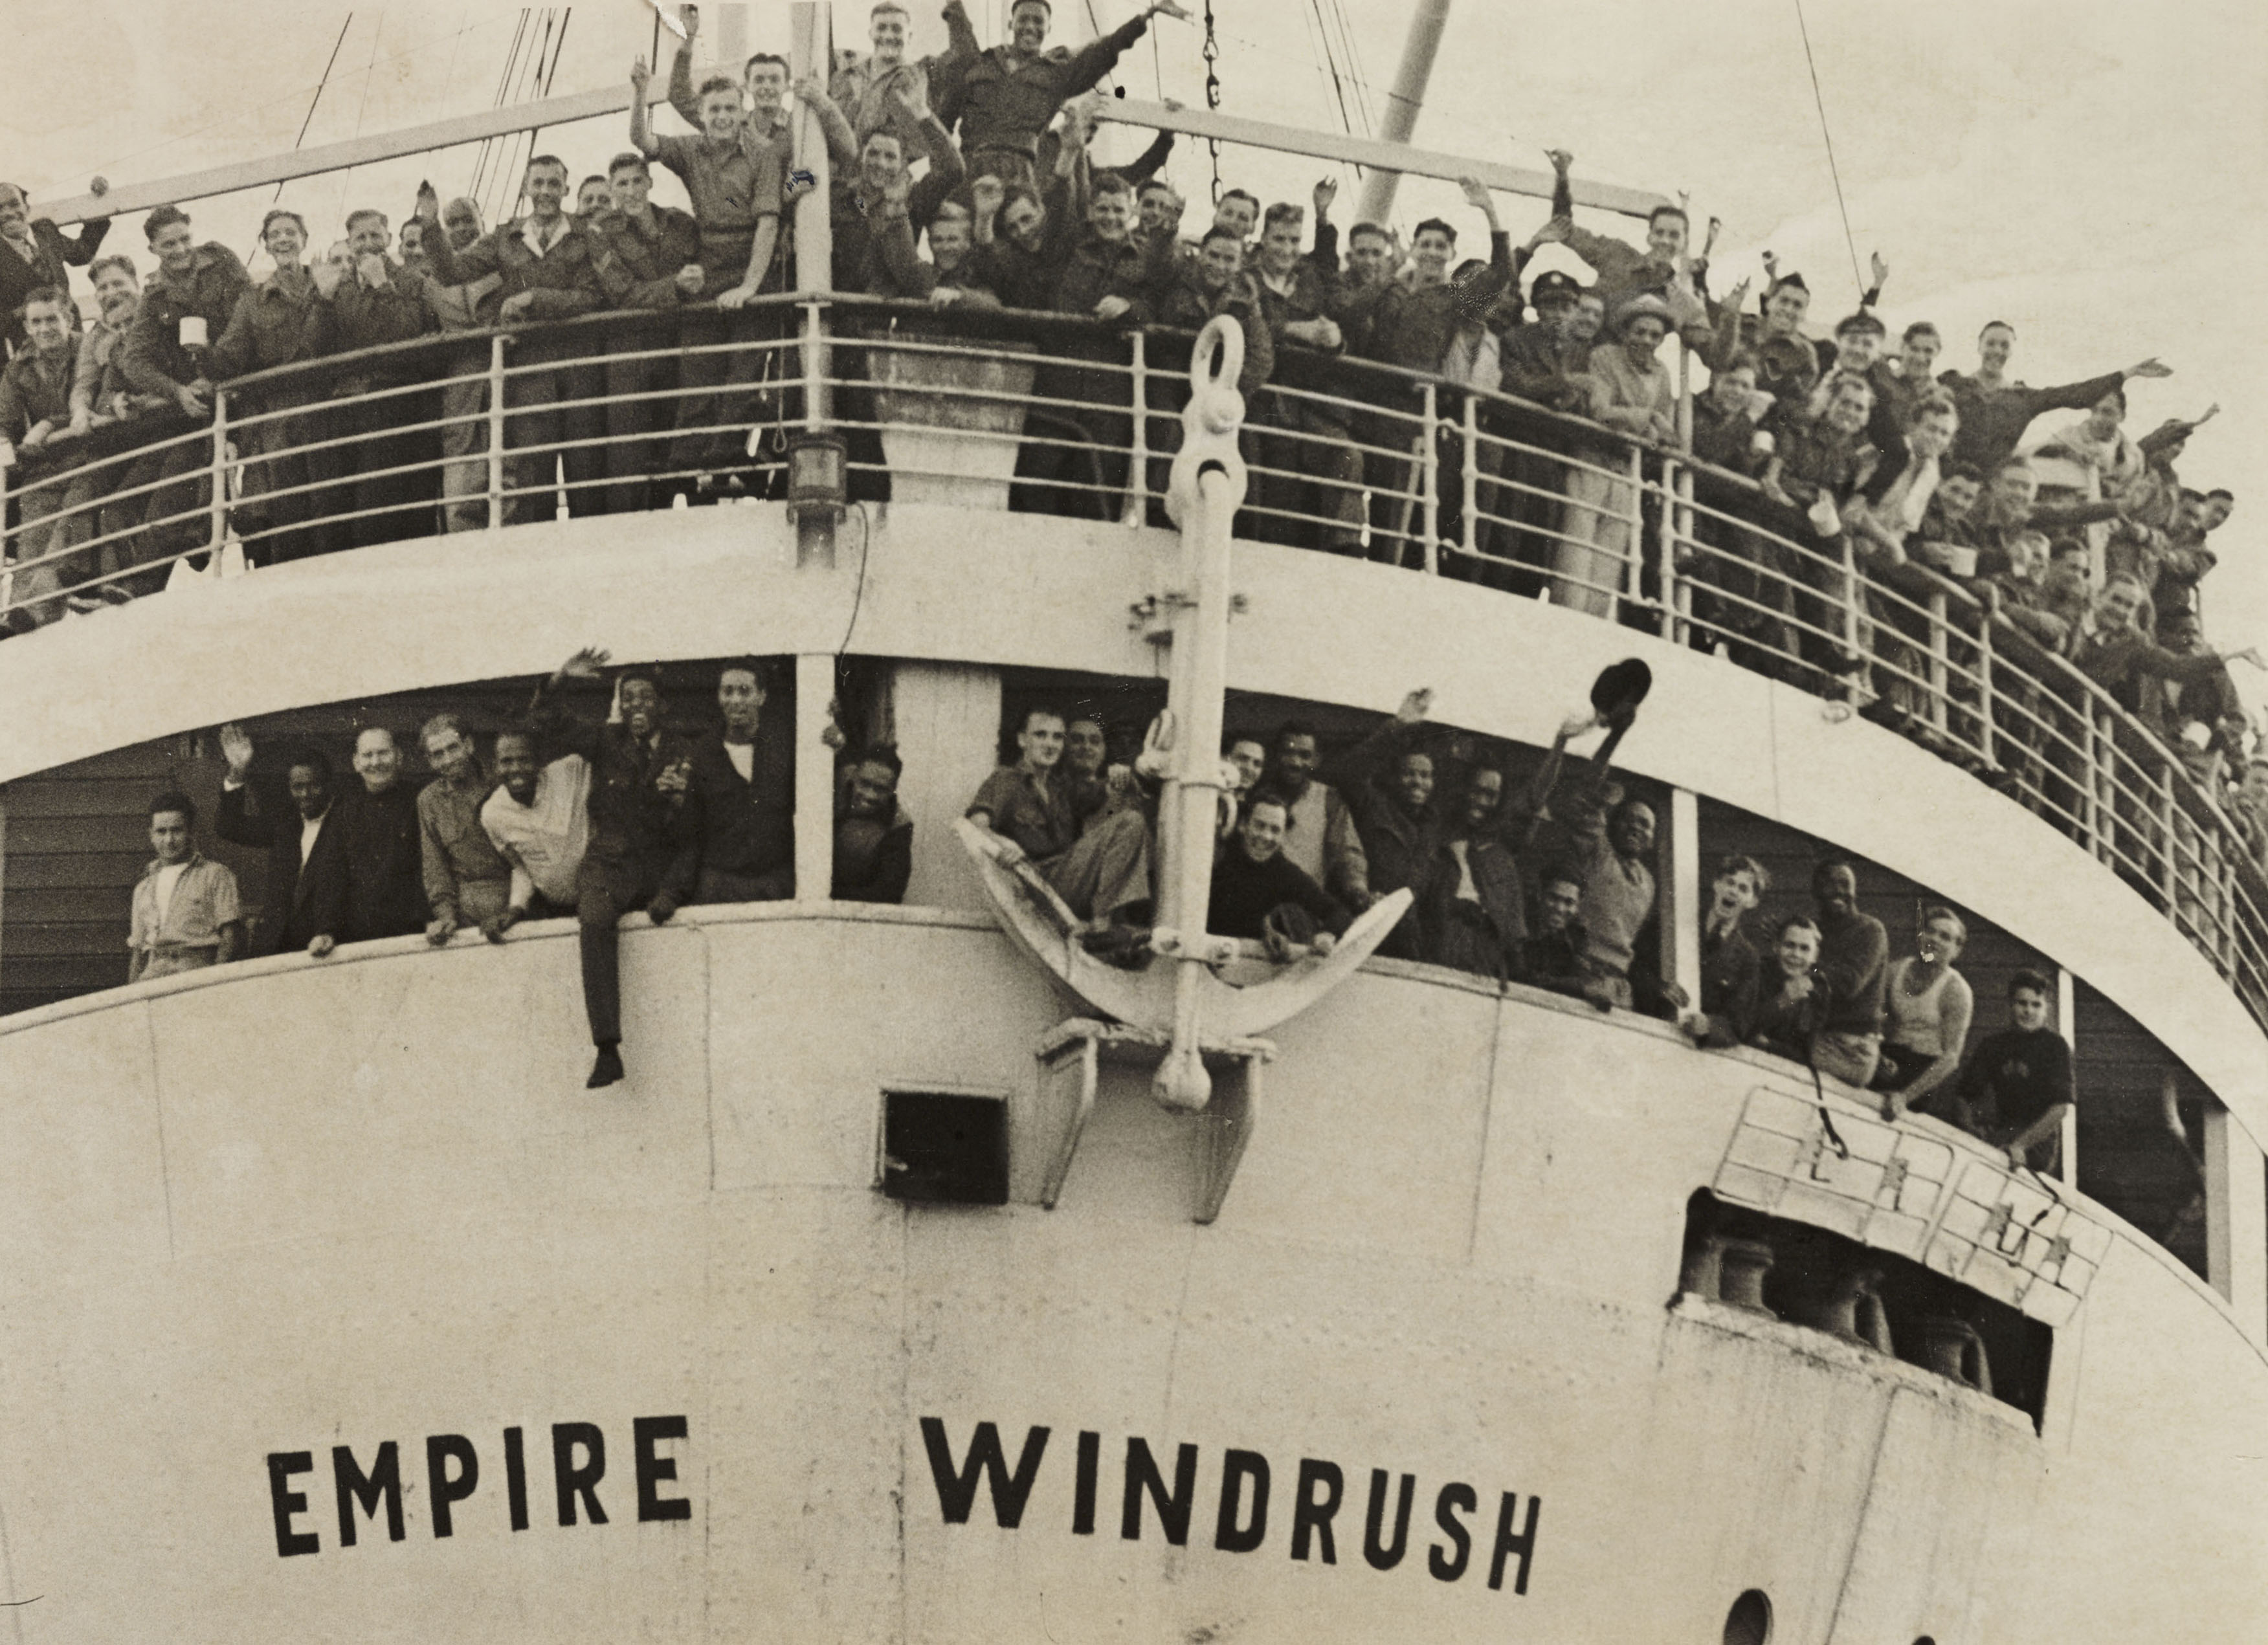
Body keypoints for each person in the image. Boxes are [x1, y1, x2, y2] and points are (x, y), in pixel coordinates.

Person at [523, 648, 697, 1089]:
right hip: (611, 862)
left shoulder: (684, 751)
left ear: (663, 706)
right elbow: (544, 720)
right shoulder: (606, 741)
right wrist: (562, 677)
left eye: (646, 698)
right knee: (595, 919)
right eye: (628, 699)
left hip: (658, 866)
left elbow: (695, 830)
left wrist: (679, 801)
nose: (637, 707)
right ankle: (607, 1048)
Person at [415, 159, 605, 524]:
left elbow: (593, 295)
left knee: (587, 479)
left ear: (566, 189)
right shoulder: (506, 238)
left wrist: (534, 298)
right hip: (529, 376)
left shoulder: (587, 233)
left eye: (554, 184)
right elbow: (452, 272)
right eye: (539, 183)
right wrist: (430, 224)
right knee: (534, 485)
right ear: (525, 188)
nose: (546, 191)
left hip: (580, 371)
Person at [630, 52, 786, 492]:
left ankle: (720, 466)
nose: (722, 117)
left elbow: (768, 223)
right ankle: (685, 470)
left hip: (752, 262)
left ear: (743, 113)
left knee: (742, 374)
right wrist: (641, 91)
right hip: (709, 262)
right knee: (697, 371)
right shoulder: (690, 150)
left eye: (730, 109)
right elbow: (643, 140)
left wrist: (750, 287)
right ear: (702, 115)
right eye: (714, 110)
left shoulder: (764, 154)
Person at [120, 204, 254, 570]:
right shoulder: (155, 295)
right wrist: (177, 391)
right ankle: (146, 577)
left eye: (184, 240)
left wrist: (218, 365)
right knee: (174, 479)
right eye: (168, 245)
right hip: (200, 407)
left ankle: (200, 539)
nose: (179, 250)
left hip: (241, 387)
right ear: (153, 249)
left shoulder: (221, 261)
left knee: (245, 482)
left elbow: (248, 314)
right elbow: (133, 360)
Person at [937, 0, 1191, 190]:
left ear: (1048, 29)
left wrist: (1147, 15)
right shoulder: (980, 64)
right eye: (1024, 19)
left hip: (1021, 175)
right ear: (1010, 24)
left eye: (1039, 22)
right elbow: (960, 28)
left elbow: (1103, 51)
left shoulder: (1057, 74)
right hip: (972, 167)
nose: (1030, 27)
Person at [208, 208, 335, 563]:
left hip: (327, 408)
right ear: (265, 245)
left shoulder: (328, 281)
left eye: (290, 232)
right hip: (280, 421)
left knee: (328, 503)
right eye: (275, 234)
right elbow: (230, 355)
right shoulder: (253, 301)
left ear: (304, 240)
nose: (283, 239)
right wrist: (200, 355)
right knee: (288, 509)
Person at [1245, 184, 1364, 555]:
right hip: (1257, 397)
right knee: (1268, 483)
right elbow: (1244, 322)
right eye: (1279, 239)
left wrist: (1334, 339)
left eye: (1294, 241)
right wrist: (1294, 330)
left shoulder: (1309, 279)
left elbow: (1329, 281)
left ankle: (1344, 543)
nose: (1286, 249)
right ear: (1263, 238)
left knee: (1346, 455)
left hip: (1304, 402)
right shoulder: (1245, 278)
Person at [586, 150, 705, 513]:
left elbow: (704, 263)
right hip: (630, 356)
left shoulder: (681, 223)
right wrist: (676, 287)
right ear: (613, 189)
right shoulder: (600, 232)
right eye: (622, 184)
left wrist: (698, 279)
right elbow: (622, 294)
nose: (632, 190)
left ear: (650, 182)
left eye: (638, 181)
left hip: (678, 350)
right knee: (630, 456)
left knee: (678, 448)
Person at [966, 706, 1151, 929]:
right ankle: (1102, 925)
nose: (1050, 744)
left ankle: (1106, 922)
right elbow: (975, 826)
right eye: (1040, 735)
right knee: (1129, 823)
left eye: (1057, 737)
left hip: (1062, 885)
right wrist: (1003, 843)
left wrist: (1121, 775)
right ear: (1022, 740)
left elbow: (1105, 791)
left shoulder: (1060, 788)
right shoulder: (1006, 780)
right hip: (1032, 884)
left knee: (1130, 821)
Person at [1553, 293, 1676, 616]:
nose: (1646, 340)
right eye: (1640, 332)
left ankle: (1591, 624)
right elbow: (1601, 410)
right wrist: (1646, 419)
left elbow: (1668, 428)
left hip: (1628, 469)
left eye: (1654, 335)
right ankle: (1566, 617)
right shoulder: (1605, 357)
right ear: (1625, 332)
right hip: (1593, 459)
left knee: (1610, 555)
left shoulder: (1662, 374)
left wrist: (1655, 427)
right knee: (1577, 548)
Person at [1937, 320, 2171, 474]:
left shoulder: (2023, 399)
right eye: (1991, 344)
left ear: (2012, 352)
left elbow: (2072, 394)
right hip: (1946, 475)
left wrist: (2128, 373)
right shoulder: (1953, 384)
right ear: (1979, 346)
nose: (1997, 351)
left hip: (1992, 483)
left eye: (2004, 346)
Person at [668, 661, 798, 904]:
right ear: (719, 697)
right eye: (728, 691)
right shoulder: (704, 755)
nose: (736, 700)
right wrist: (672, 892)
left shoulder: (784, 749)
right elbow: (691, 833)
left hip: (774, 884)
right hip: (719, 885)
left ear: (761, 696)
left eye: (745, 691)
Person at [214, 728, 351, 959]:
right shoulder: (286, 825)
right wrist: (238, 772)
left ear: (329, 785)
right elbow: (229, 827)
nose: (306, 794)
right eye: (298, 787)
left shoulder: (346, 823)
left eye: (314, 785)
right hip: (276, 945)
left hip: (326, 946)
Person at [1326, 689, 1438, 956]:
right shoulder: (1375, 805)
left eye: (1425, 775)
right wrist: (1398, 726)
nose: (1418, 782)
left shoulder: (1432, 827)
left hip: (1408, 942)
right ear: (1395, 777)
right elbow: (1348, 773)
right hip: (1364, 927)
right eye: (1409, 774)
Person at [0, 287, 85, 627]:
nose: (45, 328)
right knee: (30, 546)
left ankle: (37, 616)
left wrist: (50, 423)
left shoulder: (88, 348)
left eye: (53, 319)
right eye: (36, 322)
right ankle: (14, 622)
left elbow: (97, 398)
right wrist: (6, 446)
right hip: (45, 470)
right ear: (27, 328)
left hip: (88, 459)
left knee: (59, 543)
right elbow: (4, 421)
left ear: (69, 319)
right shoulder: (19, 368)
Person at [1417, 764, 1533, 984]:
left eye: (1490, 795)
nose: (1480, 800)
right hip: (1436, 954)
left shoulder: (1501, 859)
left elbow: (1514, 928)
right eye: (1475, 790)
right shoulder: (1434, 839)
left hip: (1484, 964)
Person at [1951, 970, 2076, 1173]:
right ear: (2010, 1005)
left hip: (2038, 1139)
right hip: (2003, 1131)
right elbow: (1964, 1095)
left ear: (2047, 1009)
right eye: (2022, 1003)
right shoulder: (1993, 1046)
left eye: (2036, 1005)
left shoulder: (2055, 1047)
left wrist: (2020, 1145)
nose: (2028, 1011)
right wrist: (1969, 1128)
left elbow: (2060, 1108)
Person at [479, 725, 594, 937]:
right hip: (556, 911)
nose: (515, 769)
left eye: (524, 760)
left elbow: (605, 753)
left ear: (539, 762)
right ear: (495, 766)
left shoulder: (569, 772)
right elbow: (521, 867)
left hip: (599, 900)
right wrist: (516, 907)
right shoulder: (492, 814)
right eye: (506, 761)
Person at [1206, 792, 1348, 955]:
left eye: (1275, 830)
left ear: (1283, 836)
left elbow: (1338, 912)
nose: (1266, 836)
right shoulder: (1218, 856)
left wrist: (1326, 935)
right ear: (1243, 825)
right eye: (1260, 826)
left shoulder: (1285, 873)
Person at [830, 1, 982, 154]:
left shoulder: (926, 74)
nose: (889, 36)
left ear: (909, 35)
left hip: (910, 173)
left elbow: (965, 56)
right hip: (857, 172)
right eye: (881, 28)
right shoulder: (845, 78)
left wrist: (953, 5)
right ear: (871, 33)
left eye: (897, 29)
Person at [126, 792, 245, 983]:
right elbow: (138, 951)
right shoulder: (143, 888)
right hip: (154, 974)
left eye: (176, 830)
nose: (169, 840)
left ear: (190, 832)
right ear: (151, 835)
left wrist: (216, 981)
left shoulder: (215, 875)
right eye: (161, 831)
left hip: (197, 973)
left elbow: (231, 936)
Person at [416, 713, 513, 944]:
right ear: (430, 762)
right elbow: (435, 866)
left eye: (453, 748)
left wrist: (516, 909)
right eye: (438, 755)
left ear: (468, 745)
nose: (448, 759)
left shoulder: (501, 783)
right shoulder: (429, 800)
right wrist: (446, 916)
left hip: (514, 905)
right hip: (466, 912)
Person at [1871, 907, 1975, 1118]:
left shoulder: (1956, 991)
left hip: (1924, 1068)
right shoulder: (1895, 971)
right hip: (1889, 1056)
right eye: (1931, 931)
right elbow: (1873, 1018)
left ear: (1956, 950)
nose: (1934, 939)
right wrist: (1877, 1053)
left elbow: (1950, 1058)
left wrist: (1904, 1097)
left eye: (1945, 937)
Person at [328, 727, 428, 943]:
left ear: (399, 757)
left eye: (383, 753)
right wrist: (326, 930)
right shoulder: (345, 811)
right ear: (356, 763)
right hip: (360, 932)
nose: (376, 762)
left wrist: (431, 917)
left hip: (415, 929)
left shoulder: (420, 801)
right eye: (368, 755)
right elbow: (334, 874)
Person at [1260, 720, 1368, 911]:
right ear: (1276, 755)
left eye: (1305, 755)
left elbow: (1347, 853)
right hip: (1259, 904)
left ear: (1316, 760)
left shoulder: (1329, 799)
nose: (1295, 762)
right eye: (1288, 753)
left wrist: (1357, 888)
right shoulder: (1258, 795)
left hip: (1305, 910)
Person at [0, 179, 109, 357]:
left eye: (14, 204)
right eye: (0, 208)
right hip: (31, 349)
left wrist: (101, 205)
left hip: (72, 334)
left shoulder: (45, 231)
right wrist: (23, 312)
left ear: (26, 208)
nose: (8, 213)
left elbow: (82, 253)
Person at [1808, 859, 1889, 1087]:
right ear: (1815, 892)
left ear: (1855, 890)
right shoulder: (1813, 930)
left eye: (1845, 883)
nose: (1838, 890)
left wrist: (1807, 962)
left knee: (1774, 1053)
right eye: (1829, 884)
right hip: (1818, 1038)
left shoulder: (1870, 929)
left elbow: (1848, 984)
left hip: (1851, 1047)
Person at [1678, 855, 1768, 1049]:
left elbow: (1739, 1025)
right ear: (1717, 884)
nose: (1733, 891)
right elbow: (1641, 968)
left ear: (1752, 901)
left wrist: (1709, 1026)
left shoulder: (1748, 958)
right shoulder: (1676, 922)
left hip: (1699, 1052)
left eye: (1743, 889)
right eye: (1730, 882)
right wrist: (1660, 989)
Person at [834, 744, 915, 903]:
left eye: (881, 789)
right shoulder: (835, 791)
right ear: (854, 777)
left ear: (893, 790)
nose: (870, 795)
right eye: (864, 784)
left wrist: (830, 893)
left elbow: (889, 893)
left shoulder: (899, 825)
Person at [1746, 916, 1827, 1065]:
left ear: (1815, 956)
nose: (1796, 955)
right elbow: (1742, 1027)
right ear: (1776, 947)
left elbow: (1808, 1053)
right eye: (1789, 945)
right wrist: (1782, 1001)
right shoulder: (1756, 973)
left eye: (1805, 949)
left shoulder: (1818, 990)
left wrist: (1769, 1045)